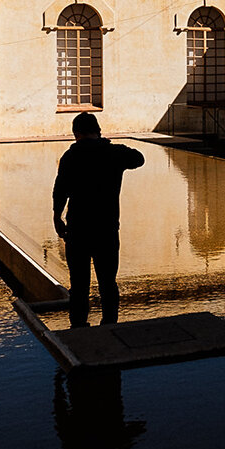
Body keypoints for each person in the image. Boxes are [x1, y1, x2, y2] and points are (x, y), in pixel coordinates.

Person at [52, 112, 144, 327]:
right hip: (107, 227)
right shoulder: (114, 153)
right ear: (98, 130)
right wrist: (111, 146)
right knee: (108, 283)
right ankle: (110, 327)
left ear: (76, 133)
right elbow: (139, 159)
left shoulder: (70, 157)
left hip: (78, 228)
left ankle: (79, 329)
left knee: (79, 285)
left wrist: (57, 216)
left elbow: (60, 190)